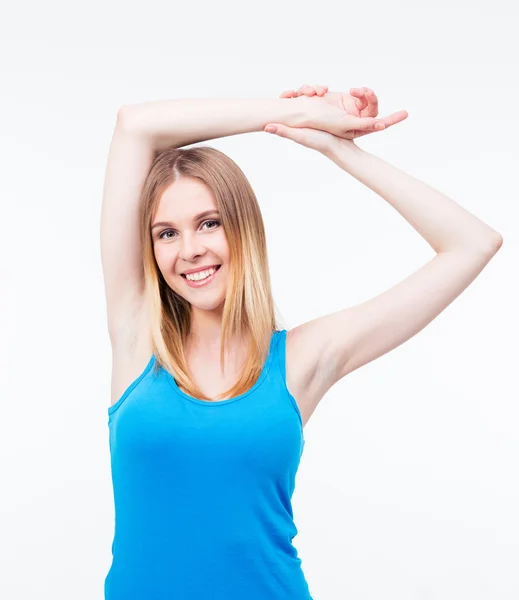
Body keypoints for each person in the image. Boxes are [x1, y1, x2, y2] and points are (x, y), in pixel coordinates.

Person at [100, 84, 503, 599]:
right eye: (167, 233)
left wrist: (336, 146)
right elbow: (135, 125)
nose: (192, 250)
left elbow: (472, 243)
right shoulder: (136, 337)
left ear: (242, 228)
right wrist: (297, 111)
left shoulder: (301, 359)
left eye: (209, 223)